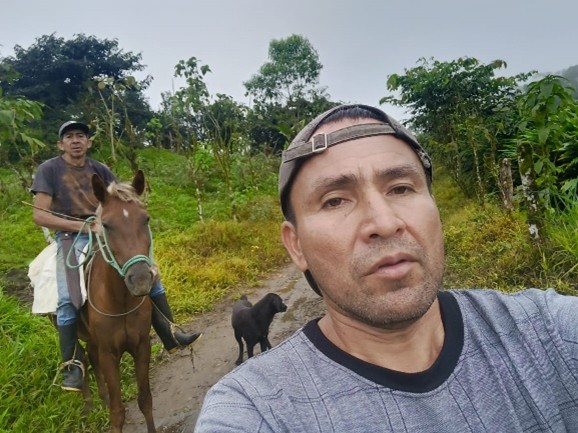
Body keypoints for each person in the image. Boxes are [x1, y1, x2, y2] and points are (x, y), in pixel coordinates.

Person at [194, 104, 578, 432]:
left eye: (401, 188)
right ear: (296, 245)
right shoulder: (256, 408)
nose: (384, 222)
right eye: (335, 200)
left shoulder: (548, 331)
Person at [31, 120, 202, 392]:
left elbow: (120, 202)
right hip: (71, 237)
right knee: (66, 297)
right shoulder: (49, 170)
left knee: (147, 271)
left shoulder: (100, 169)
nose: (75, 140)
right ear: (60, 144)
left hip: (107, 230)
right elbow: (40, 215)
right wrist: (84, 225)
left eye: (80, 136)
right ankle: (72, 363)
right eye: (69, 136)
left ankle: (170, 331)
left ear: (88, 142)